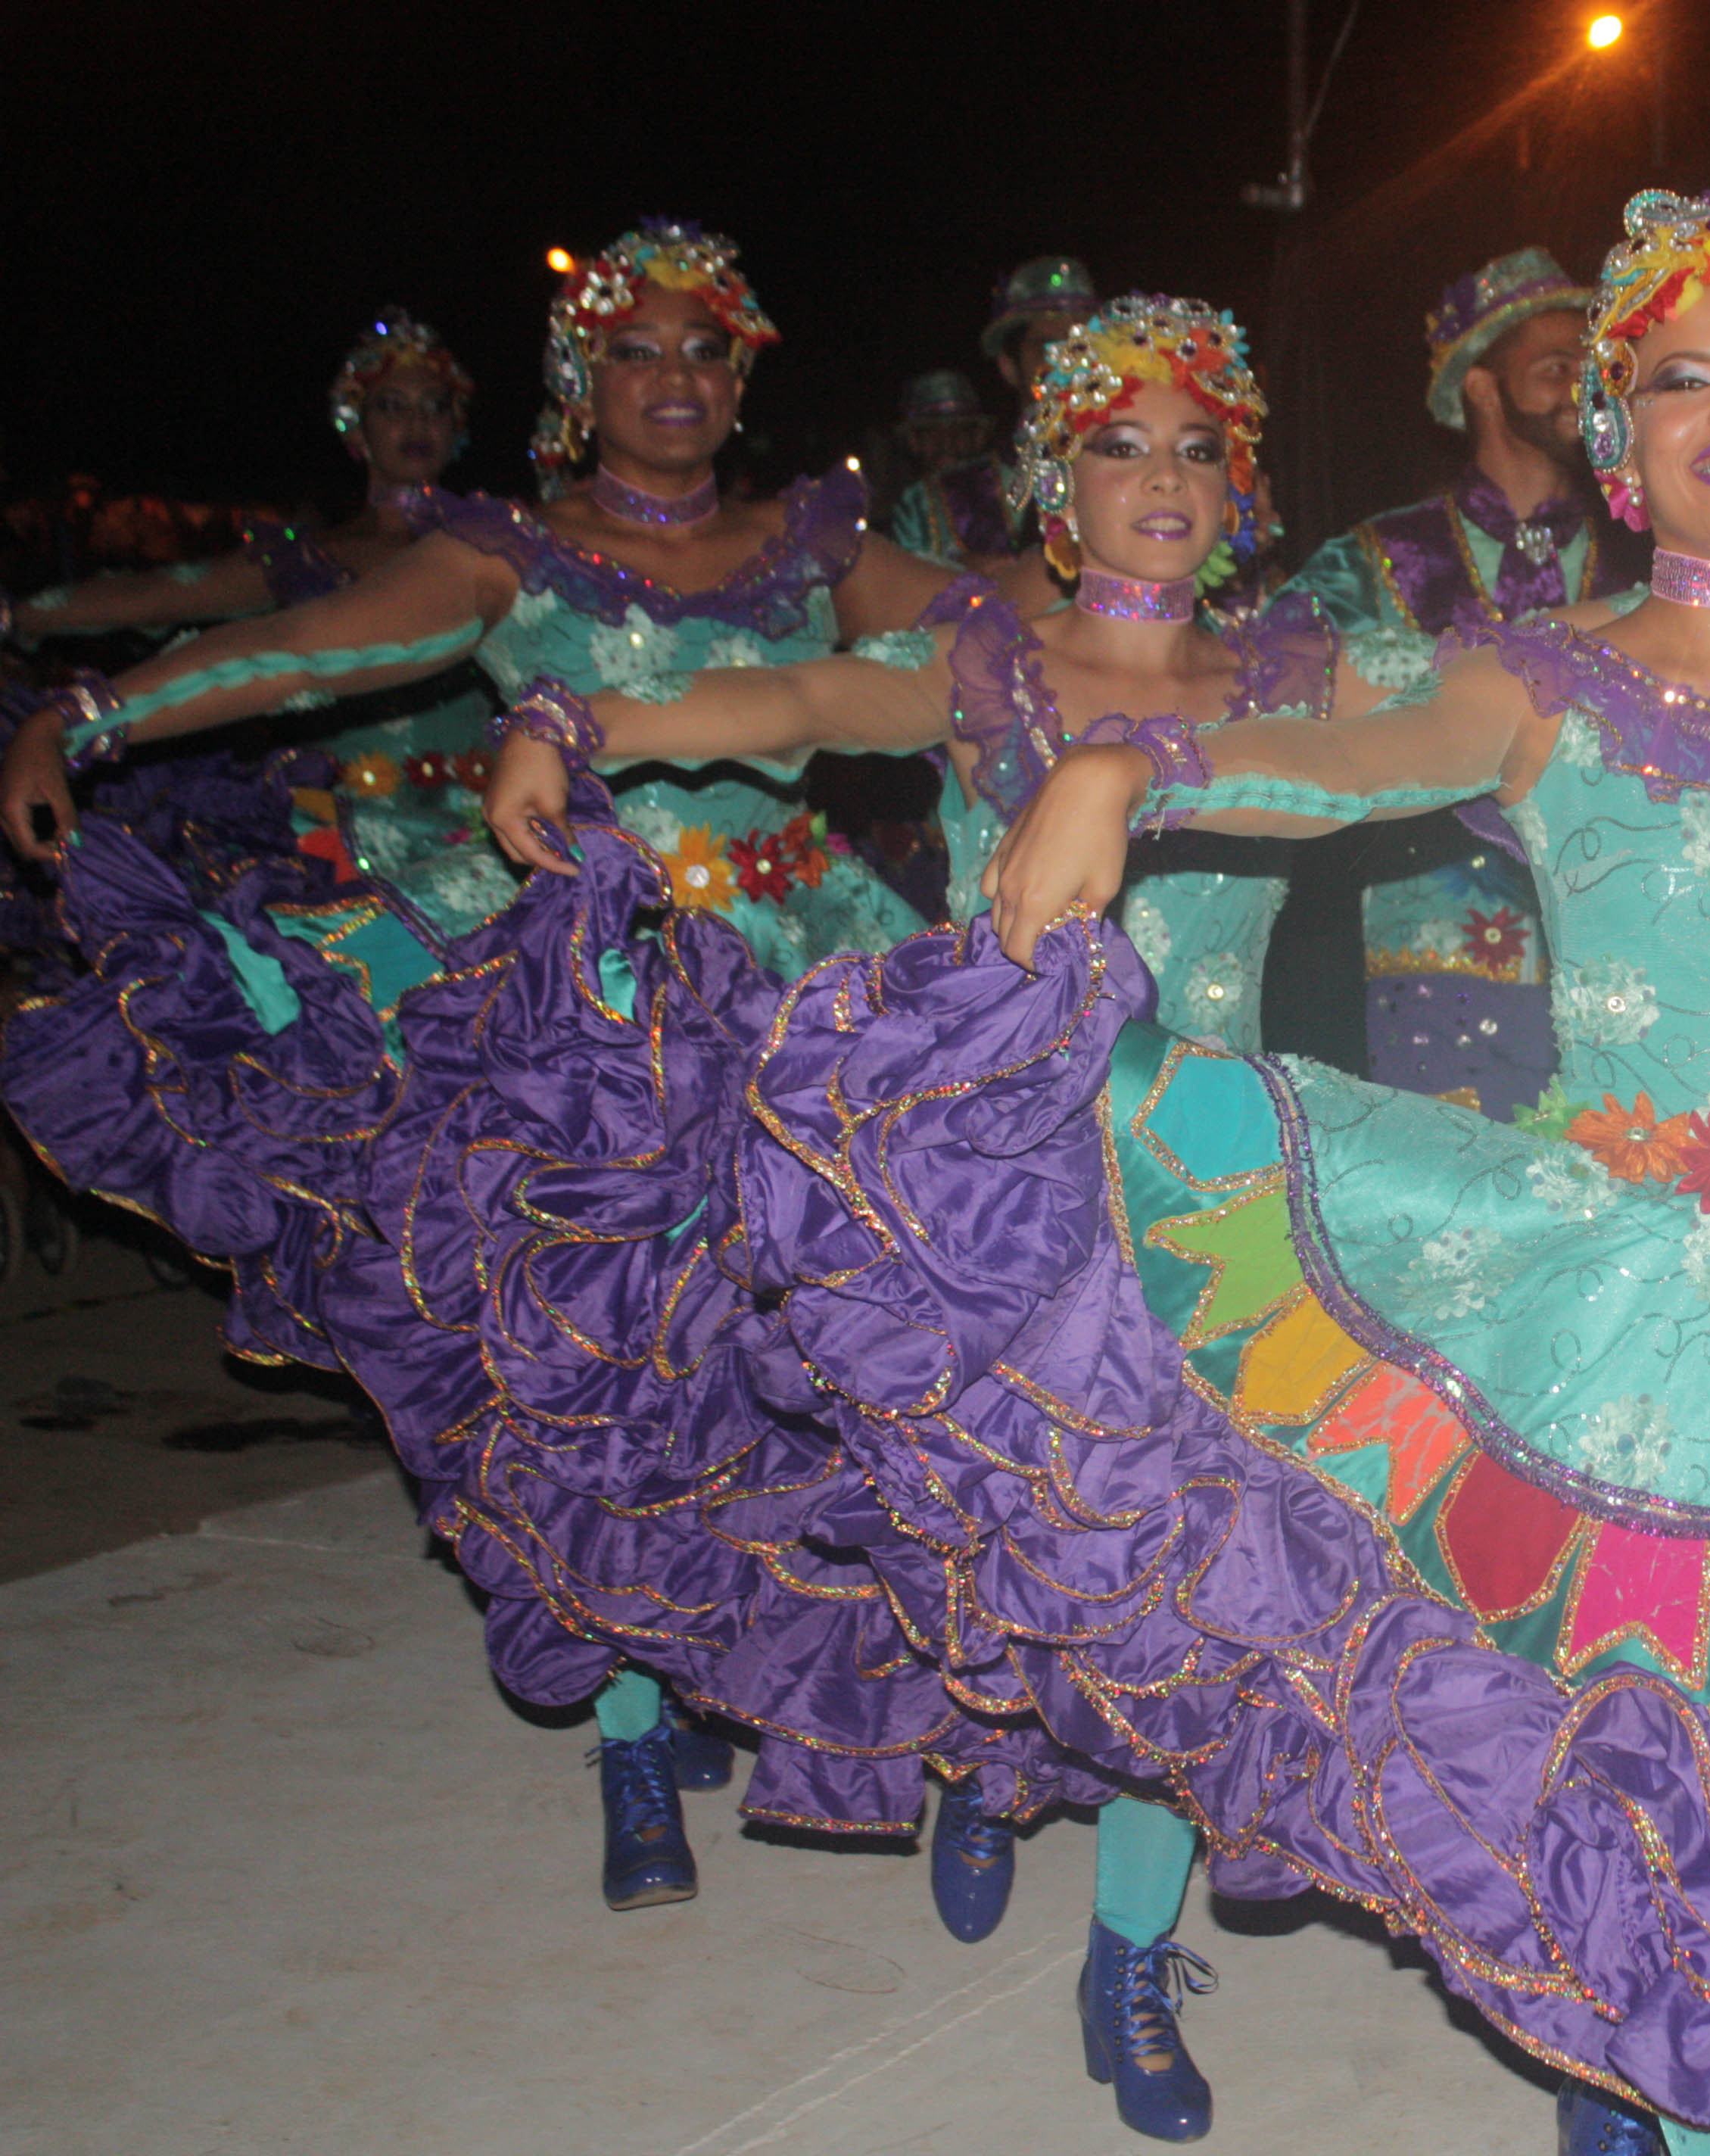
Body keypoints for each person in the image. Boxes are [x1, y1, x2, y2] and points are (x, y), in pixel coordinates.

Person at [195, 189, 1710, 2156]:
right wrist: (1119, 776)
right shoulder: (1530, 679)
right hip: (1600, 1285)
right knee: (1609, 1718)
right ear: (1616, 439)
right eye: (1683, 374)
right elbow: (1312, 760)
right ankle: (1625, 2079)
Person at [0, 220, 948, 1917]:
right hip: (585, 1012)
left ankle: (811, 1661)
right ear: (584, 382)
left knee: (826, 1353)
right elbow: (311, 648)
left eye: (706, 351)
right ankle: (636, 1731)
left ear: (746, 376)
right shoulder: (516, 549)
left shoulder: (821, 540)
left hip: (808, 980)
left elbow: (1000, 646)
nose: (676, 379)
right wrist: (92, 715)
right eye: (638, 351)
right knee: (594, 1370)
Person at [472, 304, 1348, 2120]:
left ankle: (1128, 1950)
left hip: (1204, 1202)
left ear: (1243, 478)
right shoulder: (987, 667)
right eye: (1120, 443)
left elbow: (1520, 730)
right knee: (969, 1535)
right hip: (983, 1197)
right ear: (1052, 481)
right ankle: (977, 1754)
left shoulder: (1305, 675)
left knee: (1173, 1587)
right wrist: (576, 716)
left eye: (1199, 444)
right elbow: (786, 697)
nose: (1163, 477)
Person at [1278, 247, 1623, 1111]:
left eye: (1593, 368)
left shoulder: (1649, 550)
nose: (1582, 387)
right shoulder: (1374, 561)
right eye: (1555, 367)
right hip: (1432, 970)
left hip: (1623, 970)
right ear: (1480, 387)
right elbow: (1260, 686)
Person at [2, 313, 494, 885]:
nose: (417, 423)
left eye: (434, 405)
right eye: (392, 405)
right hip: (342, 835)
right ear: (354, 427)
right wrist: (21, 614)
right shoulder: (308, 557)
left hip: (481, 830)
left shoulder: (497, 549)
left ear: (457, 425)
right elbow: (167, 594)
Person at [883, 368, 1015, 568]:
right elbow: (906, 572)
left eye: (958, 432)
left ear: (978, 437)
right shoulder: (914, 502)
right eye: (932, 434)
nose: (946, 444)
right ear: (914, 441)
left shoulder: (1013, 480)